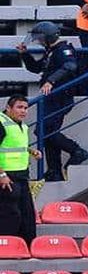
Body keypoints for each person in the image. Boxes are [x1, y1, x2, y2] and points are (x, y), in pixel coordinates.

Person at [16, 22, 88, 182]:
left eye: (40, 39)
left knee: (43, 131)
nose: (38, 42)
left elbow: (70, 66)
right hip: (51, 98)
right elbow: (37, 68)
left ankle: (77, 151)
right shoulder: (51, 52)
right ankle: (54, 170)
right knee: (48, 133)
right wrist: (25, 54)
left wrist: (50, 81)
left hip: (60, 96)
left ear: (48, 37)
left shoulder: (64, 50)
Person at [0, 95, 41, 244]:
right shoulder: (1, 123)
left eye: (25, 108)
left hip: (22, 176)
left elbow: (11, 146)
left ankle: (26, 247)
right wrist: (2, 174)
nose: (23, 111)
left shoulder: (21, 125)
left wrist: (31, 151)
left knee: (27, 215)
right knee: (10, 215)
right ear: (9, 108)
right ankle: (8, 247)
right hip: (7, 178)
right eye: (19, 107)